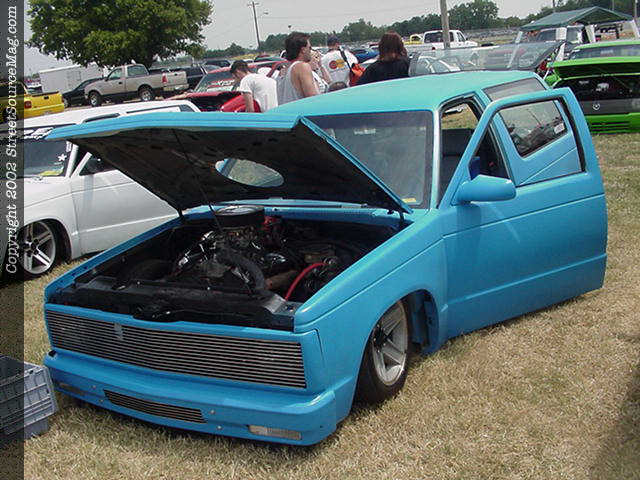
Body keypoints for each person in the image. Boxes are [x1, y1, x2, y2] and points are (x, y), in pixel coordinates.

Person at [277, 31, 319, 105]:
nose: (311, 51)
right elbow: (313, 100)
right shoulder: (302, 67)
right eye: (309, 48)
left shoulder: (283, 72)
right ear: (303, 50)